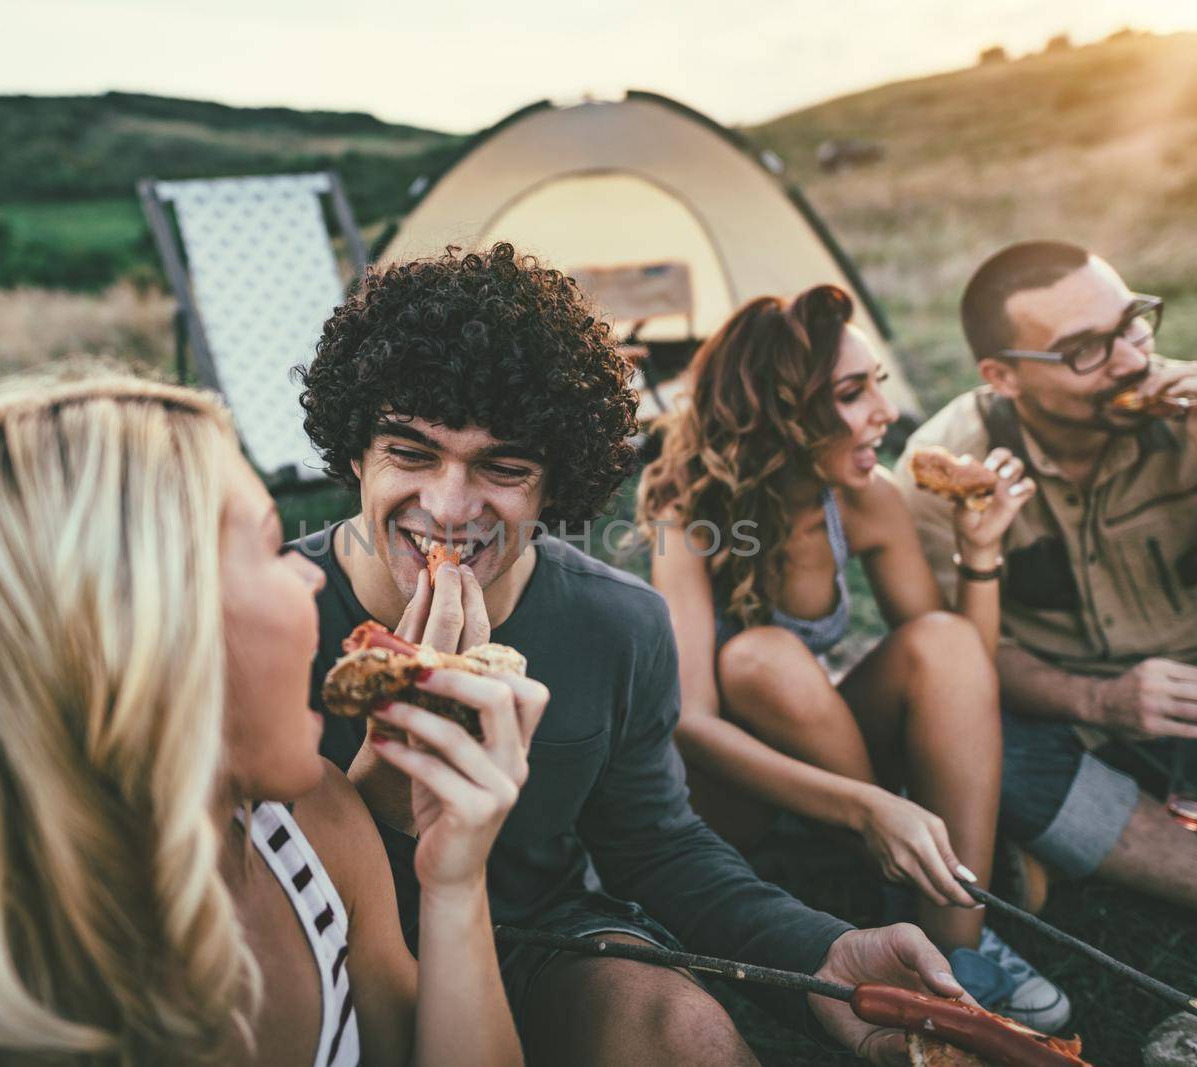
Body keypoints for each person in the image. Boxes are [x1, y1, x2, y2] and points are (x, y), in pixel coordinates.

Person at [292, 243, 971, 1067]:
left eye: (503, 468)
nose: (447, 505)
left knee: (683, 1030)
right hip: (314, 956)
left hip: (540, 939)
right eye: (410, 453)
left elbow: (657, 844)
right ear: (356, 450)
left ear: (556, 486)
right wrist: (393, 783)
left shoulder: (619, 624)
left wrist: (819, 953)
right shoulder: (268, 616)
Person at [0, 373, 533, 1067]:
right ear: (135, 634)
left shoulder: (311, 832)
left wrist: (454, 881)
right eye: (266, 547)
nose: (310, 580)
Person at [635, 285, 1069, 1033]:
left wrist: (980, 550)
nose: (884, 412)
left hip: (823, 744)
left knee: (941, 638)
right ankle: (888, 874)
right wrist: (866, 805)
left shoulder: (866, 496)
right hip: (721, 791)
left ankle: (953, 940)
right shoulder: (688, 508)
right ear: (783, 408)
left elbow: (961, 665)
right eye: (852, 390)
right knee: (761, 657)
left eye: (878, 384)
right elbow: (692, 723)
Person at [897, 240, 1197, 940]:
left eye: (1133, 323)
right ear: (1003, 375)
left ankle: (1093, 842)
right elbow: (959, 660)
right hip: (1052, 719)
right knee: (976, 756)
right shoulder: (944, 468)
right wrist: (1101, 700)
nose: (1132, 359)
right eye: (1085, 350)